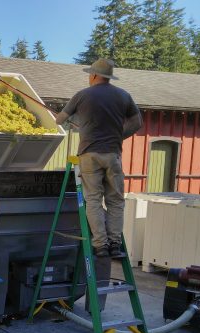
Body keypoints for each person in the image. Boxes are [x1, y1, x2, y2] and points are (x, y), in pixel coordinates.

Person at [55, 58, 142, 258]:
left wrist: (69, 119)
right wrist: (119, 135)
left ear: (94, 75)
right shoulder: (123, 96)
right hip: (113, 154)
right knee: (116, 201)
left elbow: (59, 119)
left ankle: (100, 245)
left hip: (89, 154)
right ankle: (114, 243)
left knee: (93, 199)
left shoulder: (82, 95)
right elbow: (137, 122)